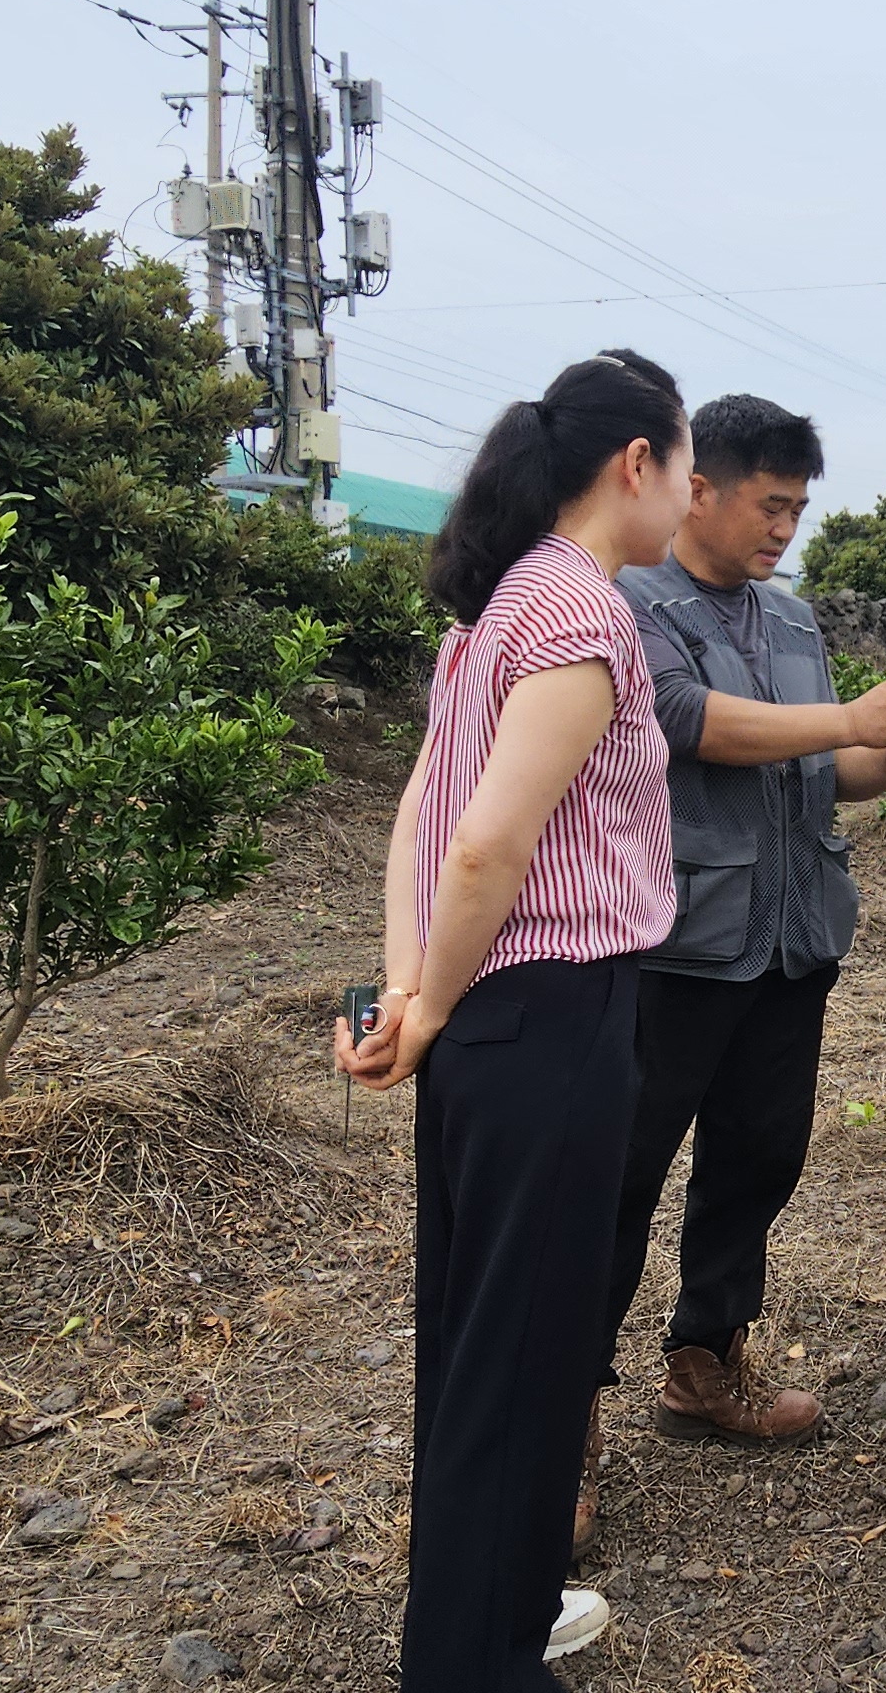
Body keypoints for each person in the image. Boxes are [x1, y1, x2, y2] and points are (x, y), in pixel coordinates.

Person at [334, 349, 694, 1688]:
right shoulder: (582, 614)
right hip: (550, 1017)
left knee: (479, 1341)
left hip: (489, 1016)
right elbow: (484, 843)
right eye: (689, 465)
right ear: (637, 465)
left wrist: (409, 996)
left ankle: (493, 1614)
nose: (692, 493)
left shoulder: (495, 610)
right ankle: (477, 1663)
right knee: (525, 1352)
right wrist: (423, 1006)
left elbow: (419, 822)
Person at [587, 396, 886, 1526]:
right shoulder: (629, 601)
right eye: (770, 505)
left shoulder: (792, 621)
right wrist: (851, 719)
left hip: (792, 943)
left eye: (799, 509)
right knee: (619, 1177)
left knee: (757, 1159)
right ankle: (564, 1414)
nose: (785, 529)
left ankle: (704, 1362)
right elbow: (689, 721)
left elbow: (827, 770)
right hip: (680, 946)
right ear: (699, 488)